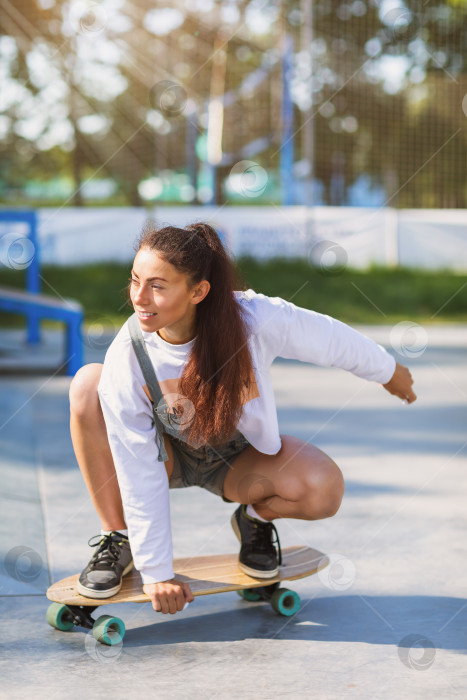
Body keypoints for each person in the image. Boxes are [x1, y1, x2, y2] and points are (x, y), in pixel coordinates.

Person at [69, 221, 416, 616]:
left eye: (158, 285)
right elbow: (138, 468)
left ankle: (253, 520)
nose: (139, 297)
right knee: (87, 385)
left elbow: (325, 336)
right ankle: (119, 537)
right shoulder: (128, 355)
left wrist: (387, 371)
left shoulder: (252, 319)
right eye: (135, 280)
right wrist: (157, 572)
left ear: (198, 291)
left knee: (323, 488)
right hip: (163, 455)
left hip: (235, 459)